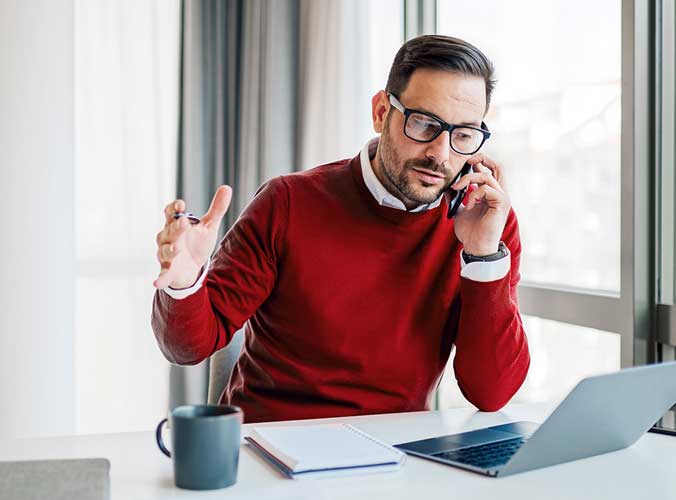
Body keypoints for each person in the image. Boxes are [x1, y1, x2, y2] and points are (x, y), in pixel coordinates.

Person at [152, 35, 530, 423]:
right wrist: (184, 282)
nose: (441, 153)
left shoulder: (486, 224)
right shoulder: (287, 202)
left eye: (463, 134)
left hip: (394, 456)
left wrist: (483, 256)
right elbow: (188, 348)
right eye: (423, 123)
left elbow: (491, 392)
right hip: (272, 445)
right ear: (382, 112)